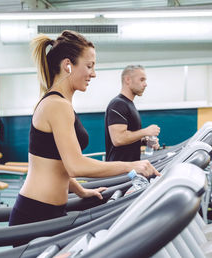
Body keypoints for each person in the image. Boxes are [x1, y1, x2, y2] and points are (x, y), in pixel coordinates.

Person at [9, 31, 159, 228]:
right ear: (68, 65)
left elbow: (58, 163)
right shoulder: (57, 105)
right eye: (89, 66)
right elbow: (75, 166)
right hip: (35, 213)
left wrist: (80, 191)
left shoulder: (60, 104)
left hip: (49, 209)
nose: (93, 74)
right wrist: (131, 166)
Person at [105, 65, 161, 162]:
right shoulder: (118, 104)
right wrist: (145, 131)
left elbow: (129, 138)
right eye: (141, 80)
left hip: (130, 169)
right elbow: (118, 139)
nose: (145, 84)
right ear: (128, 80)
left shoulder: (128, 104)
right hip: (119, 172)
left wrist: (145, 141)